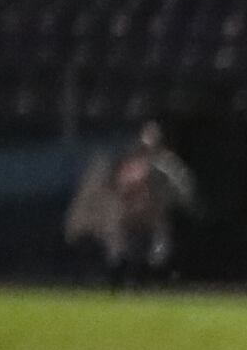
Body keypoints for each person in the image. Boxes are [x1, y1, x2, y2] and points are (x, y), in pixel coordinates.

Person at [63, 122, 198, 285]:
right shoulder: (127, 164)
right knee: (118, 245)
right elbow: (115, 192)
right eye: (144, 146)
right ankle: (118, 276)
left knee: (158, 251)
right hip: (127, 216)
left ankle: (156, 278)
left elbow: (182, 191)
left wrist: (184, 206)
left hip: (153, 216)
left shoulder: (166, 166)